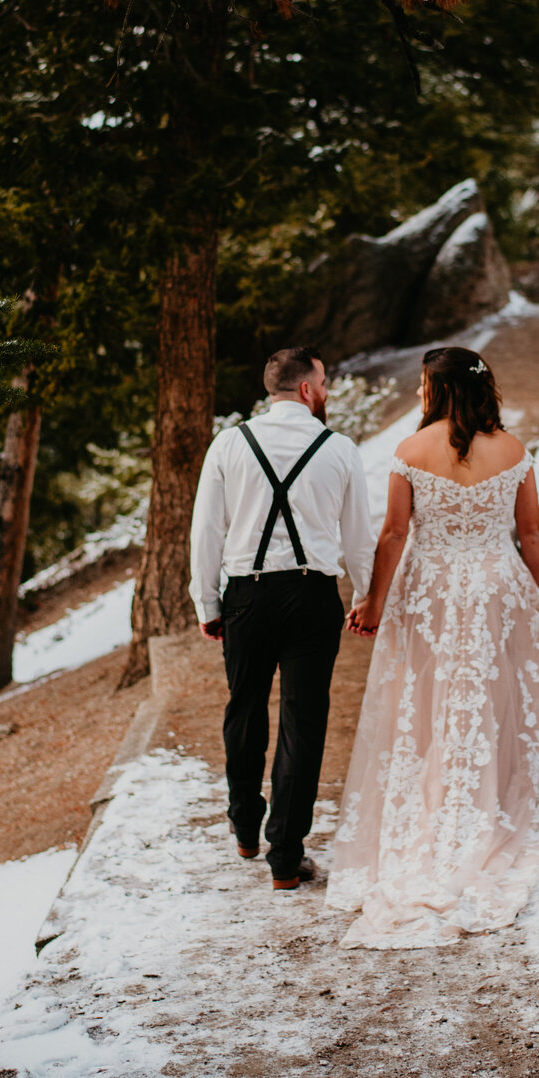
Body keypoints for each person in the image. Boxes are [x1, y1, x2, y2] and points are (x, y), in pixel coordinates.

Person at [326, 346, 539, 947]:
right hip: (498, 585)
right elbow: (532, 535)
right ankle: (489, 800)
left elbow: (394, 534)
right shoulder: (514, 449)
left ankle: (441, 804)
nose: (419, 394)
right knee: (493, 694)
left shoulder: (411, 451)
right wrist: (538, 600)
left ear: (436, 390)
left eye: (423, 385)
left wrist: (373, 602)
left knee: (428, 701)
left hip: (432, 591)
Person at [190, 346, 374, 890]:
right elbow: (358, 537)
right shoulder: (339, 448)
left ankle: (246, 824)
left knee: (244, 706)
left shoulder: (229, 443)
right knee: (304, 720)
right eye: (324, 382)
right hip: (312, 596)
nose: (326, 391)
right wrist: (366, 595)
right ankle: (285, 855)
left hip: (245, 595)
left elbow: (207, 531)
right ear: (306, 389)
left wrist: (208, 604)